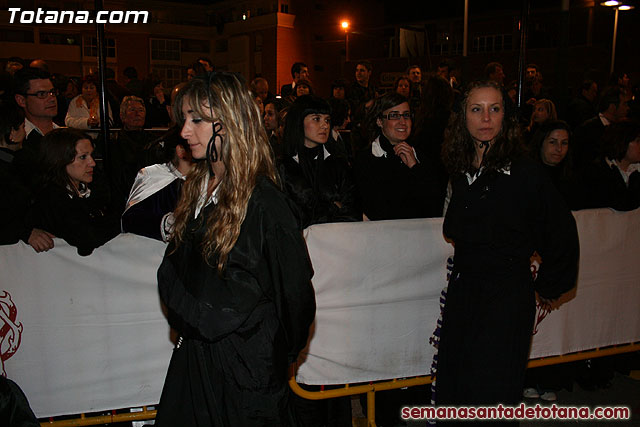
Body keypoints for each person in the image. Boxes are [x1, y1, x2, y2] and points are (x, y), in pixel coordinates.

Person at [154, 71, 316, 426]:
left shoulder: (265, 203)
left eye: (198, 119)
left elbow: (295, 295)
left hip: (247, 371)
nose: (184, 131)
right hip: (196, 360)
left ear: (229, 123)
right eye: (184, 119)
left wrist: (272, 354)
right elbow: (173, 273)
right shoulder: (196, 188)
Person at [436, 80, 579, 419]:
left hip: (504, 300)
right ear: (463, 118)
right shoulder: (461, 170)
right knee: (456, 387)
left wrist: (547, 286)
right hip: (464, 294)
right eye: (476, 109)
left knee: (491, 391)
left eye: (495, 109)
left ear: (505, 118)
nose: (486, 118)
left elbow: (561, 232)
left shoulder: (525, 173)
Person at [26, 128, 120, 256]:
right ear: (60, 159)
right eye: (83, 157)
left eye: (91, 155)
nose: (92, 163)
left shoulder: (94, 187)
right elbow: (87, 238)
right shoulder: (51, 197)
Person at [354, 92, 441, 220]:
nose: (403, 122)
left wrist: (414, 167)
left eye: (406, 115)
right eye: (394, 116)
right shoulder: (365, 159)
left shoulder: (422, 157)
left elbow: (435, 205)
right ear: (379, 121)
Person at [280, 95, 359, 228]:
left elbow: (353, 212)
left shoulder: (339, 164)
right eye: (317, 119)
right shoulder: (284, 166)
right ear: (299, 122)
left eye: (327, 120)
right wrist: (334, 206)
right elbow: (293, 216)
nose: (324, 126)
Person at [121, 134, 193, 241]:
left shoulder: (209, 178)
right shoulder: (152, 175)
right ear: (181, 151)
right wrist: (164, 224)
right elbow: (130, 220)